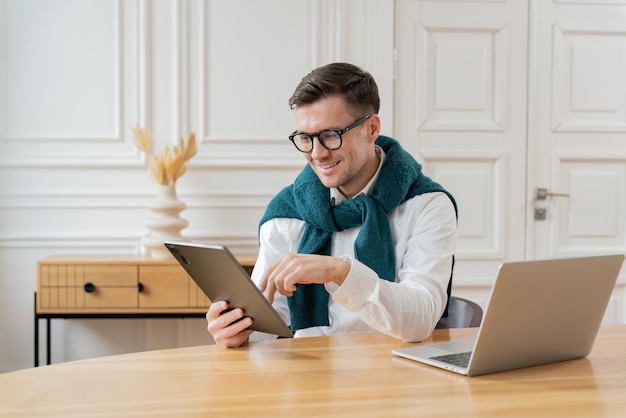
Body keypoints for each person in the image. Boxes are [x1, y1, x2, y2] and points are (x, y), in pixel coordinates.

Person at [206, 62, 458, 347]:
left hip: (398, 375)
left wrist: (339, 272)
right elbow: (272, 313)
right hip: (307, 377)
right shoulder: (286, 214)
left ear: (372, 128)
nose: (317, 153)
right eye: (305, 138)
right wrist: (237, 329)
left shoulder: (428, 205)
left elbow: (420, 320)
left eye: (331, 136)